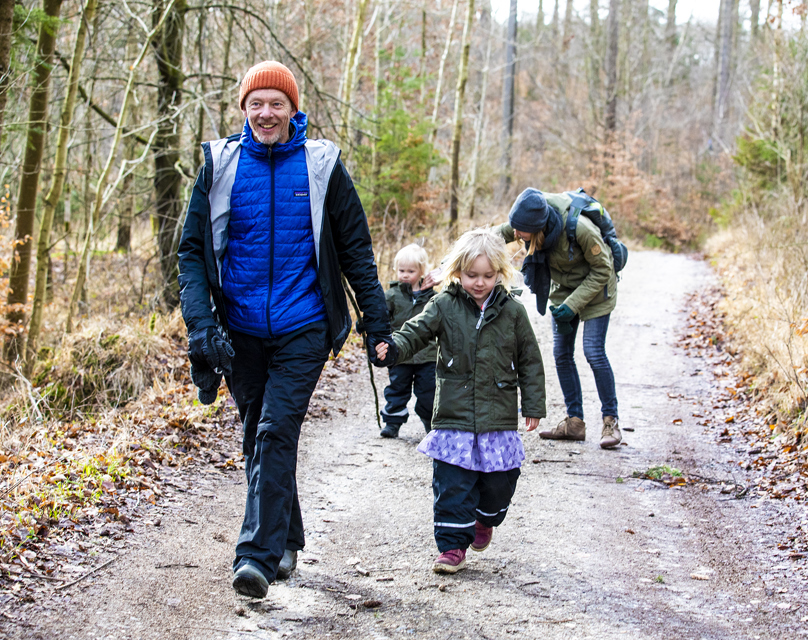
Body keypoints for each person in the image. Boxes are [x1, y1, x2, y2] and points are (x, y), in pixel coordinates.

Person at [178, 60, 397, 599]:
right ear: (244, 109)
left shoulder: (322, 166)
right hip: (240, 328)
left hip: (304, 324)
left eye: (277, 103)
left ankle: (256, 555)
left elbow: (356, 249)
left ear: (293, 109)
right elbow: (190, 252)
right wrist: (201, 325)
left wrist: (376, 322)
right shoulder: (220, 165)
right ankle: (288, 537)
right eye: (256, 103)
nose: (266, 113)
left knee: (276, 431)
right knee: (258, 433)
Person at [376, 229, 546, 574]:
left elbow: (530, 360)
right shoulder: (444, 305)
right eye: (471, 275)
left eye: (488, 275)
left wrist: (533, 405)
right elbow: (415, 332)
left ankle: (485, 519)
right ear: (456, 271)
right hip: (454, 415)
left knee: (499, 483)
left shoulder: (513, 312)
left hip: (497, 417)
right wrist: (392, 348)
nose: (479, 283)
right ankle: (452, 546)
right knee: (452, 483)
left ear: (500, 273)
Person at [495, 188, 622, 448]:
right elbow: (490, 237)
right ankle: (574, 423)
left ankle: (611, 421)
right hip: (563, 290)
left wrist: (573, 306)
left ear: (538, 228)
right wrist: (450, 263)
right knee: (562, 354)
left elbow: (602, 270)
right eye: (515, 228)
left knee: (593, 352)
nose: (516, 234)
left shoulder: (581, 228)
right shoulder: (525, 222)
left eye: (521, 231)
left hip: (597, 289)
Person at [379, 244, 438, 438]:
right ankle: (392, 423)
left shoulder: (433, 298)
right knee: (397, 388)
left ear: (422, 271)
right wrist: (367, 325)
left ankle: (430, 423)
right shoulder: (391, 296)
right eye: (401, 270)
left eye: (410, 271)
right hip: (400, 354)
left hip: (428, 355)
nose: (405, 275)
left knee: (429, 391)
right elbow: (380, 317)